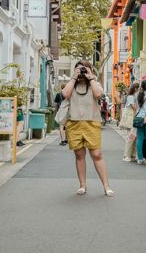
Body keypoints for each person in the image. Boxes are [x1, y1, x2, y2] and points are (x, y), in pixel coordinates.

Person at [62, 60, 114, 196]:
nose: (82, 72)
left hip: (92, 122)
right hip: (74, 123)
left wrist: (91, 77)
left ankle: (106, 186)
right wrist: (74, 77)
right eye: (79, 69)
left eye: (85, 69)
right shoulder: (72, 85)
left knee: (97, 154)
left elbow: (98, 95)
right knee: (79, 155)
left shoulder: (94, 84)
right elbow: (65, 94)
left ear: (90, 70)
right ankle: (82, 185)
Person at [122, 82, 139, 162]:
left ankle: (132, 154)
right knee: (131, 137)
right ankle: (127, 155)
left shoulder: (132, 96)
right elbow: (134, 107)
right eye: (138, 89)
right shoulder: (131, 97)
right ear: (136, 89)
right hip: (131, 119)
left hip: (132, 118)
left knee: (134, 137)